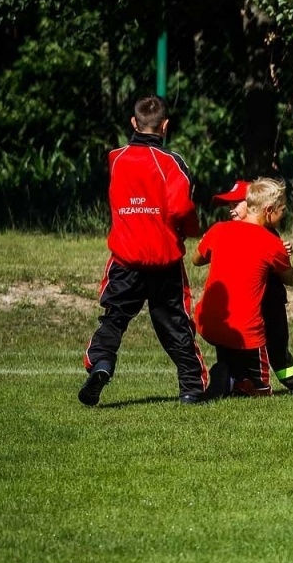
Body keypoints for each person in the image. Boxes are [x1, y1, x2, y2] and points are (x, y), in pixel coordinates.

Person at [79, 95, 209, 406]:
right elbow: (181, 208)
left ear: (134, 123)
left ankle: (101, 364)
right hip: (164, 261)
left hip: (125, 261)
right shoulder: (172, 162)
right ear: (165, 126)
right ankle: (191, 388)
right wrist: (193, 230)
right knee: (175, 323)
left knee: (114, 318)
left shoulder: (116, 159)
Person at [192, 178, 293, 398]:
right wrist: (286, 257)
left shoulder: (219, 229)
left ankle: (229, 375)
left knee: (239, 366)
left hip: (207, 324)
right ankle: (233, 380)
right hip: (246, 331)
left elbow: (196, 260)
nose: (284, 215)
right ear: (269, 211)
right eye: (282, 210)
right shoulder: (271, 243)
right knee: (260, 391)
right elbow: (290, 278)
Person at [211, 180, 293, 397]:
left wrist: (283, 251)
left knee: (276, 345)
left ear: (253, 204)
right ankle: (235, 380)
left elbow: (283, 269)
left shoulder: (269, 233)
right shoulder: (228, 231)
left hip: (270, 302)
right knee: (234, 348)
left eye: (235, 204)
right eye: (227, 206)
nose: (231, 210)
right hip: (243, 304)